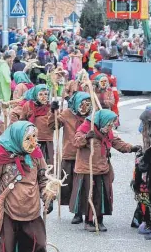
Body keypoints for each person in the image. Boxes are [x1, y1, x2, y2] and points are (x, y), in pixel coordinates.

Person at [0, 121, 51, 252]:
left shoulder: (36, 153)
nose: (33, 142)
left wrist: (47, 194)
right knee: (7, 247)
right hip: (9, 211)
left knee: (39, 245)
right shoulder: (2, 155)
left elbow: (43, 177)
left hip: (31, 209)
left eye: (35, 137)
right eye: (28, 139)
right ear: (18, 138)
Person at [71, 109, 139, 232]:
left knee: (101, 195)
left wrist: (132, 148)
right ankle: (89, 221)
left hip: (103, 168)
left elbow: (117, 143)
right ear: (102, 122)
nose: (110, 126)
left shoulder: (107, 133)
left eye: (112, 124)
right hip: (87, 169)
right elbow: (76, 142)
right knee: (89, 195)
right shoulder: (86, 128)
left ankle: (99, 220)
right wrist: (86, 137)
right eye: (109, 124)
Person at [53, 91, 91, 224]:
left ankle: (84, 213)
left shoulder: (92, 116)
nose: (85, 107)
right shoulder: (67, 114)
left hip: (86, 157)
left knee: (82, 185)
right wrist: (54, 112)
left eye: (88, 104)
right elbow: (53, 125)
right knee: (70, 186)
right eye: (82, 104)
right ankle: (77, 211)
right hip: (70, 155)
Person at [18, 84, 54, 165]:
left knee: (48, 163)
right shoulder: (28, 105)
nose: (44, 96)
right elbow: (22, 122)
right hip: (32, 139)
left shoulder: (50, 106)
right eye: (40, 94)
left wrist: (54, 111)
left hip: (48, 140)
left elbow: (55, 124)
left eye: (46, 94)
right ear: (35, 94)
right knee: (34, 163)